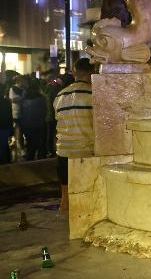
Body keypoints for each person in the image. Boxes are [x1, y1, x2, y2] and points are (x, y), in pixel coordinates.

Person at [53, 57, 96, 211]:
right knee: (89, 199)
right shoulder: (94, 94)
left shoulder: (60, 95)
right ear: (93, 72)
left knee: (66, 201)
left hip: (63, 150)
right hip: (86, 151)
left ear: (75, 73)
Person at [19, 78, 48, 161]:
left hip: (27, 126)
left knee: (30, 146)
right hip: (39, 125)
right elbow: (44, 112)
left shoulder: (24, 99)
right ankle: (41, 164)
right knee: (41, 146)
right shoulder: (41, 99)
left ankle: (30, 162)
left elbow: (22, 113)